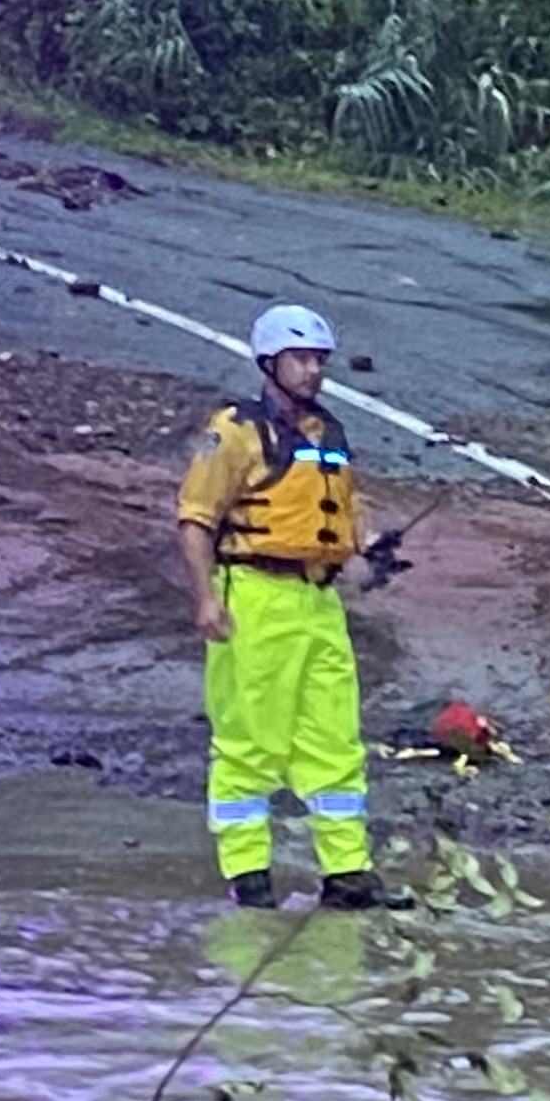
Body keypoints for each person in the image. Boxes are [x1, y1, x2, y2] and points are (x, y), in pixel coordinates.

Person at [176, 303, 409, 910]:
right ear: (270, 362)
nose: (312, 372)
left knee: (334, 740)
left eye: (319, 361)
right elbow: (197, 520)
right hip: (253, 596)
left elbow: (345, 516)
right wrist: (205, 599)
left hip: (318, 601)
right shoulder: (232, 432)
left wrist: (371, 546)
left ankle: (348, 873)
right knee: (249, 739)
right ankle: (249, 877)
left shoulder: (327, 434)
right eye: (301, 360)